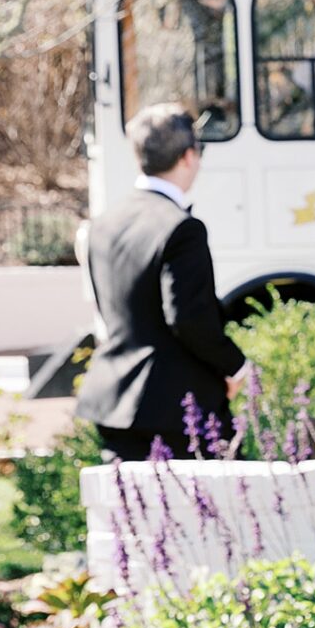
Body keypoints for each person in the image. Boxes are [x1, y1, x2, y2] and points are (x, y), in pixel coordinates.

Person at [75, 103, 245, 461]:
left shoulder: (102, 224)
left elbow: (109, 310)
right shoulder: (182, 228)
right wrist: (236, 366)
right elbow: (189, 318)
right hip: (176, 409)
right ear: (188, 156)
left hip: (114, 404)